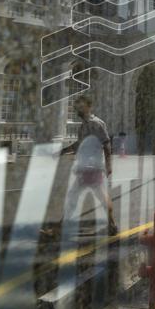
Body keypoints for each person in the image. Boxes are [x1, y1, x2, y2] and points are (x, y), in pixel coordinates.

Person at [63, 94, 118, 236]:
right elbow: (79, 145)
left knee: (79, 196)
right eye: (77, 107)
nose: (78, 110)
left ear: (88, 107)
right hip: (85, 167)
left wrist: (108, 165)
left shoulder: (96, 123)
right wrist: (63, 151)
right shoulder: (83, 126)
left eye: (80, 107)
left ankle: (64, 226)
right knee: (78, 195)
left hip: (93, 167)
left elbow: (106, 144)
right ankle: (112, 226)